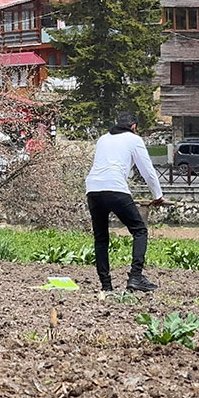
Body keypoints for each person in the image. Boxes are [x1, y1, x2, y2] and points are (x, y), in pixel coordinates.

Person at [85, 112, 165, 292]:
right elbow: (147, 170)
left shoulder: (103, 139)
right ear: (134, 126)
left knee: (101, 238)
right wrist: (158, 195)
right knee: (139, 230)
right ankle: (136, 276)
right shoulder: (134, 140)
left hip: (93, 189)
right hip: (115, 188)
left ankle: (106, 286)